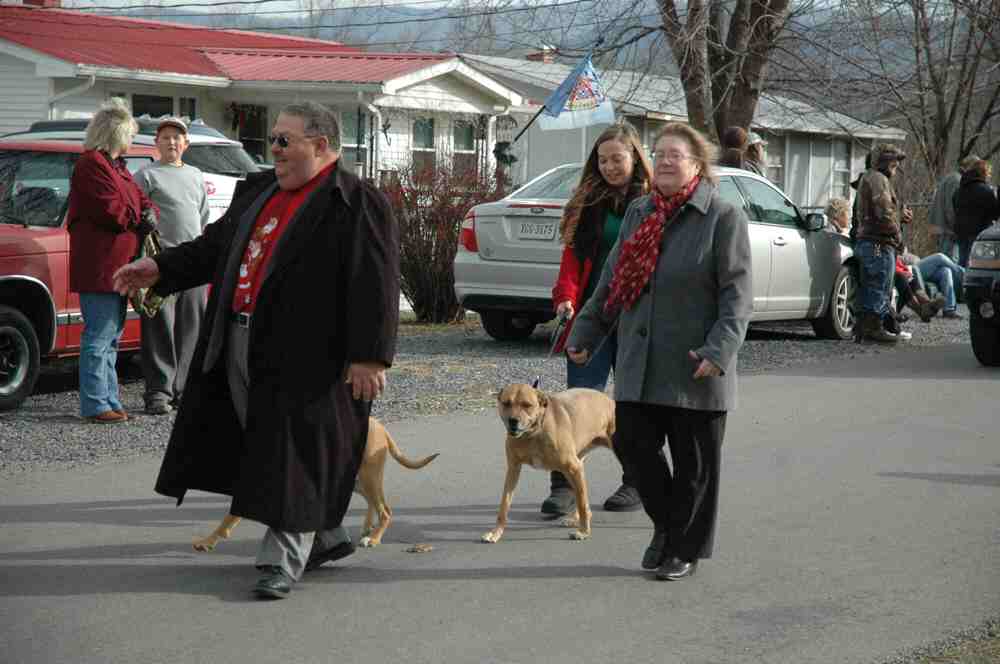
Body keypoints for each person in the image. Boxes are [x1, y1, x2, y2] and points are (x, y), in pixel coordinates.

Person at [112, 101, 400, 600]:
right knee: (266, 444)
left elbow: (376, 282)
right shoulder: (261, 191)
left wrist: (370, 356)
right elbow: (214, 247)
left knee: (292, 449)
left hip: (312, 356)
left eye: (285, 141)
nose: (275, 150)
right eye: (273, 141)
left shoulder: (355, 201)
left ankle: (279, 561)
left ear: (321, 144)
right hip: (241, 340)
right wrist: (159, 269)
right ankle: (325, 536)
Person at [565, 123, 752, 581]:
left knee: (694, 468)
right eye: (660, 153)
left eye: (676, 154)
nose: (665, 160)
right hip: (640, 364)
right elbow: (610, 282)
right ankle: (669, 528)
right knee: (633, 446)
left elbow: (737, 294)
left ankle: (682, 548)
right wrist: (585, 333)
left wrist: (719, 349)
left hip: (695, 364)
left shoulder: (722, 217)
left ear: (697, 164)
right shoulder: (639, 212)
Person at [547, 123, 654, 515]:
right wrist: (566, 300)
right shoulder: (587, 202)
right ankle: (563, 483)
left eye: (617, 159)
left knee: (631, 402)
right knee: (575, 404)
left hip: (636, 319)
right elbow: (572, 263)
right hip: (592, 318)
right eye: (602, 160)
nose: (609, 166)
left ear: (635, 159)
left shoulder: (654, 202)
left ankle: (637, 480)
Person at [67, 98, 158, 424]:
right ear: (115, 134)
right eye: (129, 134)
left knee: (112, 336)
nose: (131, 141)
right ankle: (95, 403)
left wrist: (148, 212)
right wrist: (140, 216)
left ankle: (108, 398)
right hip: (101, 265)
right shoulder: (91, 164)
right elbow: (112, 211)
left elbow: (141, 200)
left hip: (119, 263)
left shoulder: (116, 166)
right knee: (100, 336)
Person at [134, 117, 211, 415]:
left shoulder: (195, 174)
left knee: (192, 329)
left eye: (177, 138)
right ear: (156, 143)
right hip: (160, 264)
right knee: (159, 328)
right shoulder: (146, 175)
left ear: (186, 144)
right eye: (165, 137)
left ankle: (184, 390)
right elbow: (138, 217)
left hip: (193, 264)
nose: (171, 142)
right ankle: (158, 393)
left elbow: (202, 216)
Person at [854, 143, 912, 343]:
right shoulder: (878, 179)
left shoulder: (870, 178)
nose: (896, 168)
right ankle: (873, 328)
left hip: (871, 241)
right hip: (877, 243)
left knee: (874, 282)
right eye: (894, 163)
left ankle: (864, 328)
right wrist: (898, 234)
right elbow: (884, 212)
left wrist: (899, 217)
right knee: (878, 281)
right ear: (885, 162)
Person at [928, 155, 979, 261]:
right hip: (948, 232)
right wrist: (956, 229)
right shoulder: (957, 180)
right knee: (950, 264)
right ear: (969, 167)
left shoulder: (953, 177)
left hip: (944, 230)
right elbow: (951, 209)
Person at [953, 159, 1000, 268]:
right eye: (988, 174)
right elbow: (995, 213)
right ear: (983, 173)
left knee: (962, 262)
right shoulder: (987, 191)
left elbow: (955, 208)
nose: (989, 177)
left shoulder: (958, 191)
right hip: (978, 234)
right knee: (976, 265)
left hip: (961, 233)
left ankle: (961, 283)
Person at [915, 251, 965, 319]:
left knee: (946, 271)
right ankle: (964, 274)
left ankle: (948, 310)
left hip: (919, 268)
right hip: (911, 269)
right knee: (939, 257)